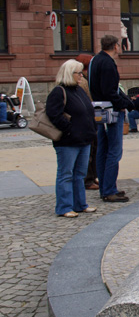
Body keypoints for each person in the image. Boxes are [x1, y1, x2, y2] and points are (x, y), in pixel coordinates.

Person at [46, 59, 97, 217]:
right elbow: (53, 114)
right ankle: (64, 207)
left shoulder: (79, 90)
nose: (82, 76)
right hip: (68, 142)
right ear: (70, 73)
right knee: (66, 174)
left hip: (84, 139)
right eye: (79, 73)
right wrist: (69, 130)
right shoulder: (59, 92)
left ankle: (80, 204)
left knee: (79, 175)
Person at [89, 34, 134, 203]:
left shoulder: (95, 60)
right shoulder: (108, 63)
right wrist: (125, 103)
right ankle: (109, 189)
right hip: (111, 110)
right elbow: (111, 90)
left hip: (99, 107)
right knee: (114, 150)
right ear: (115, 46)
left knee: (102, 149)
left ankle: (105, 187)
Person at [74, 53, 98, 191]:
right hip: (87, 121)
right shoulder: (83, 81)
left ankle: (91, 177)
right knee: (90, 151)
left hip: (89, 120)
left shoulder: (85, 79)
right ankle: (89, 179)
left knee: (92, 150)